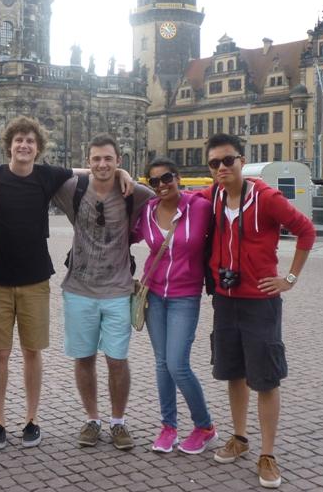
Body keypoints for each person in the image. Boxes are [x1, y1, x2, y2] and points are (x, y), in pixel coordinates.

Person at [0, 117, 133, 449]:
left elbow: (88, 171)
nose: (24, 145)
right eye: (19, 140)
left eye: (30, 141)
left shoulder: (46, 175)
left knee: (32, 352)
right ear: (9, 145)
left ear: (38, 148)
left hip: (35, 278)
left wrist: (120, 171)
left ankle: (31, 419)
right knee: (0, 354)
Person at [200, 134, 315, 490]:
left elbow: (306, 231)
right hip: (224, 299)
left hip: (260, 301)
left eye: (228, 160)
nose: (222, 168)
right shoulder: (212, 196)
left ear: (242, 161)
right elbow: (170, 195)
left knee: (265, 378)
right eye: (214, 163)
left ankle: (267, 454)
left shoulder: (266, 197)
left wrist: (289, 278)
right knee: (233, 372)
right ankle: (239, 437)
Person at [53, 133, 153, 451]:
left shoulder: (134, 193)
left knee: (117, 360)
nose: (102, 164)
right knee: (84, 358)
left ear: (118, 160)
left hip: (118, 290)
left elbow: (166, 199)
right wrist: (111, 172)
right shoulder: (72, 188)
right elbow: (44, 176)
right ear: (88, 162)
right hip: (79, 289)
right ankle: (93, 419)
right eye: (96, 159)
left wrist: (126, 176)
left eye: (109, 159)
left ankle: (118, 421)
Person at [131, 158, 216, 454]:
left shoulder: (200, 207)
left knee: (177, 364)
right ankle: (169, 427)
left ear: (178, 177)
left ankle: (205, 426)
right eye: (154, 181)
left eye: (166, 178)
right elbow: (126, 234)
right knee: (161, 363)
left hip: (185, 295)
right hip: (153, 294)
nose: (162, 185)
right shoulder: (148, 210)